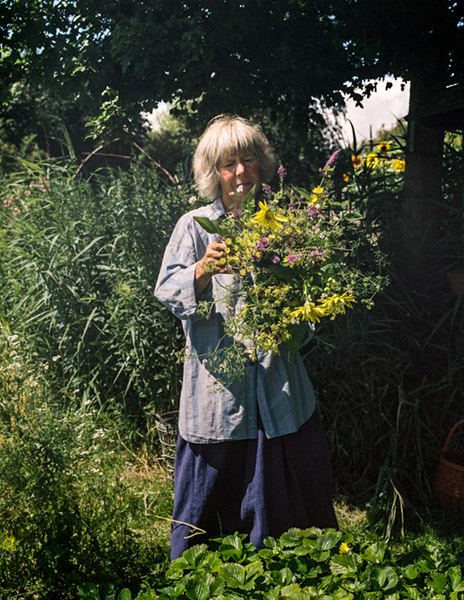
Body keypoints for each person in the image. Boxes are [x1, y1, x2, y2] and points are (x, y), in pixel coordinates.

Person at [154, 114, 337, 560]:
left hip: (279, 388)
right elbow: (167, 291)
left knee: (292, 524)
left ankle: (294, 573)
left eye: (248, 160)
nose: (240, 172)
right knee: (208, 520)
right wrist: (202, 270)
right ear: (212, 173)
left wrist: (294, 301)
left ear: (262, 165)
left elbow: (307, 302)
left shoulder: (281, 226)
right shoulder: (195, 226)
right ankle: (199, 581)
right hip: (220, 391)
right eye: (228, 163)